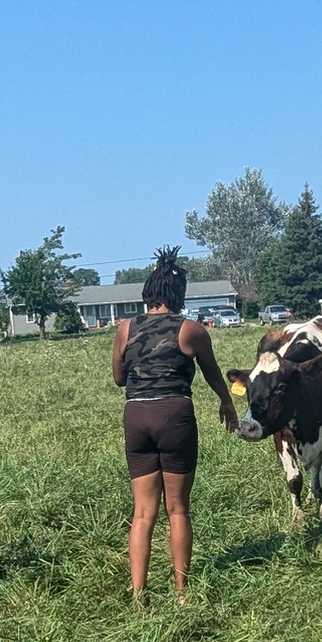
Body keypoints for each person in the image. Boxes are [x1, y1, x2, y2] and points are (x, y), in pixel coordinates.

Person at [110, 248, 239, 603]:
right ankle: (182, 592)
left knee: (142, 513)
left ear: (149, 291)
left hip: (136, 416)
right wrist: (226, 402)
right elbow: (211, 371)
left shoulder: (125, 328)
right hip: (174, 415)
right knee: (178, 508)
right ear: (178, 295)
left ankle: (139, 594)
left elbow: (120, 379)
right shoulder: (191, 330)